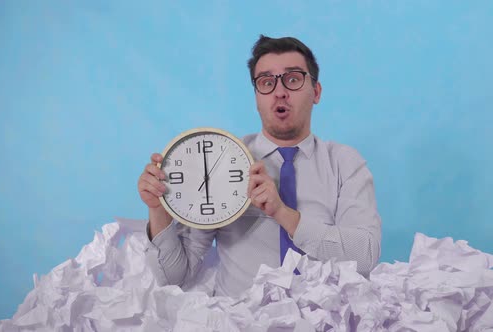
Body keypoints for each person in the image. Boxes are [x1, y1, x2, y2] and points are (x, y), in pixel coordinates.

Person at [138, 35, 382, 297]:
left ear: (316, 92)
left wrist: (282, 213)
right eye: (266, 82)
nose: (279, 92)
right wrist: (158, 209)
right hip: (242, 320)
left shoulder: (345, 164)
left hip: (325, 319)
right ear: (256, 97)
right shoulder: (223, 158)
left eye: (293, 79)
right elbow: (174, 276)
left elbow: (365, 256)